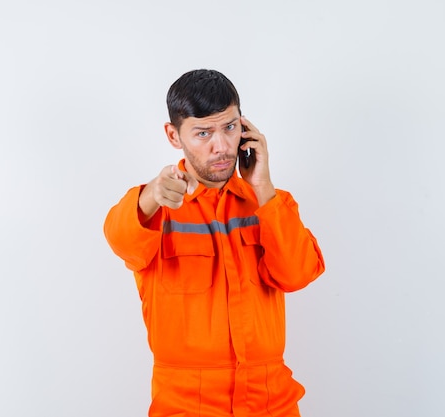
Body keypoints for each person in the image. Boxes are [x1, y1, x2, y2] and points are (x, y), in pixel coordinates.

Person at [103, 69, 325, 417]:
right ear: (173, 135)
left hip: (272, 401)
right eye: (203, 132)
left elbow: (297, 274)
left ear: (246, 128)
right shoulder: (156, 209)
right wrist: (150, 196)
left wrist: (263, 188)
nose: (221, 146)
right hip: (187, 405)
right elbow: (119, 239)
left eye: (230, 127)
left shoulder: (271, 204)